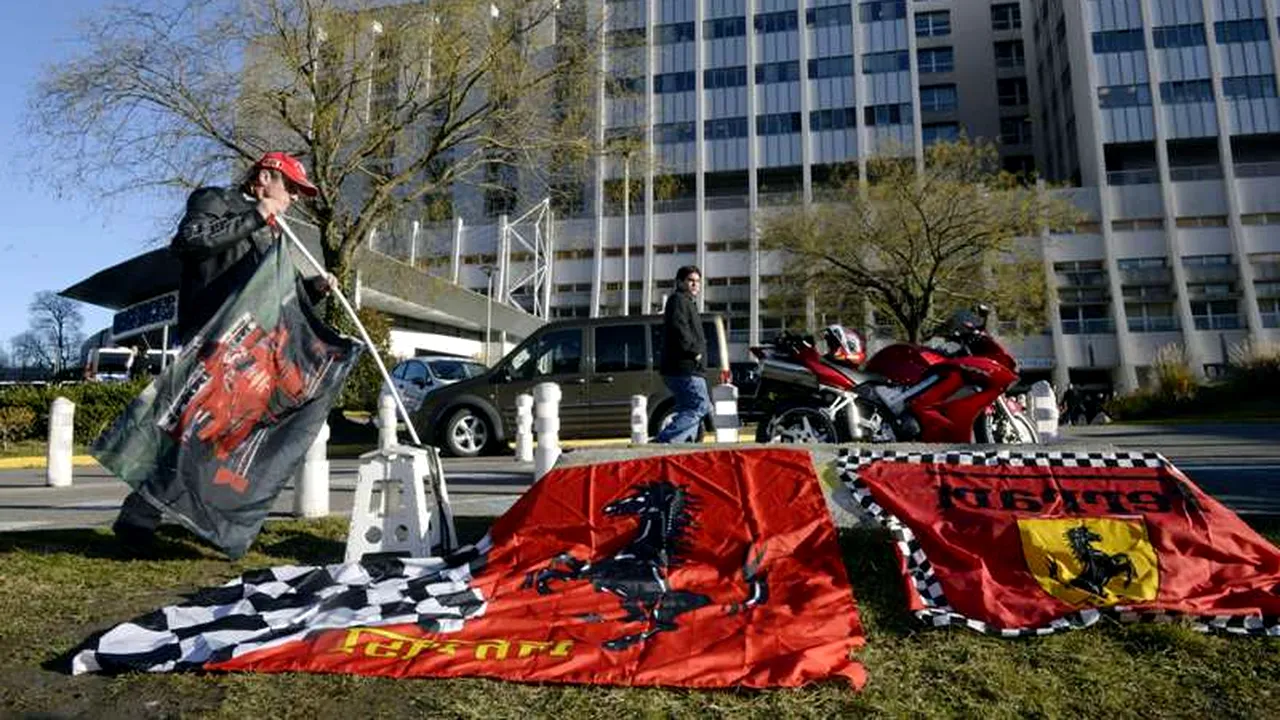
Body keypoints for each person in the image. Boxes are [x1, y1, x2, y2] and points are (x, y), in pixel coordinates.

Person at [112, 151, 329, 547]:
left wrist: (315, 288)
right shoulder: (215, 199)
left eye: (300, 192)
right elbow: (189, 242)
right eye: (292, 187)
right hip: (210, 338)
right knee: (196, 433)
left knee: (224, 441)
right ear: (266, 177)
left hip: (248, 348)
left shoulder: (274, 232)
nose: (295, 197)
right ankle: (139, 517)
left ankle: (192, 520)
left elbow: (282, 291)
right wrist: (255, 216)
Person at [656, 265, 710, 443]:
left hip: (685, 367)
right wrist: (695, 352)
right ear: (679, 282)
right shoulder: (678, 300)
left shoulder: (687, 302)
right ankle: (664, 441)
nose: (695, 285)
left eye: (698, 281)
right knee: (699, 405)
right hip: (685, 367)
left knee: (688, 408)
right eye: (690, 280)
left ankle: (683, 447)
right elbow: (679, 329)